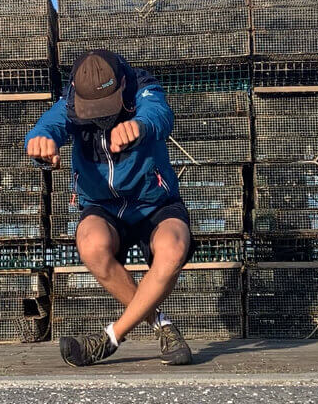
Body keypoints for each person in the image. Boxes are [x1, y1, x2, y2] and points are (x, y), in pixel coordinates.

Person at [25, 48, 194, 367]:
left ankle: (110, 338)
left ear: (122, 84)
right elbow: (45, 127)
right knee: (90, 244)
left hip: (153, 201)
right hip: (102, 205)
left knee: (173, 248)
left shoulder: (143, 88)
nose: (101, 116)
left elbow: (159, 114)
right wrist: (40, 143)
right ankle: (162, 327)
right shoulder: (69, 103)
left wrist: (140, 126)